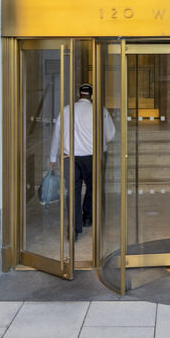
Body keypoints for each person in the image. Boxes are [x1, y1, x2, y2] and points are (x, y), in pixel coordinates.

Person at [49, 82, 115, 238]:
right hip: (93, 157)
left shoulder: (65, 111)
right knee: (93, 187)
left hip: (69, 157)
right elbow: (111, 135)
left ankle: (74, 228)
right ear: (92, 96)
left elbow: (56, 135)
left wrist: (53, 157)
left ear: (78, 95)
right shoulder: (100, 111)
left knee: (72, 192)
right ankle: (87, 215)